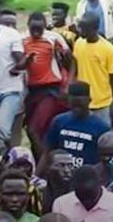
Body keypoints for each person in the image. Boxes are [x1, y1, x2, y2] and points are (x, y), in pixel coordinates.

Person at [18, 11, 72, 153]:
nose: (36, 32)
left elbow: (71, 62)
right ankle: (39, 158)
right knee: (37, 129)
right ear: (28, 26)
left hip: (50, 90)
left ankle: (45, 160)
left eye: (39, 29)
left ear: (44, 26)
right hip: (31, 91)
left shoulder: (53, 38)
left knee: (33, 129)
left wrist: (68, 84)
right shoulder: (21, 40)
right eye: (33, 29)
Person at [71, 13, 113, 126]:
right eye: (80, 27)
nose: (80, 31)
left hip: (102, 104)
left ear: (94, 29)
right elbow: (74, 65)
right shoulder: (78, 43)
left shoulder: (108, 49)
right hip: (83, 103)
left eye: (84, 29)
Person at [0, 8, 26, 144]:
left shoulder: (14, 36)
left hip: (11, 91)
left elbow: (22, 62)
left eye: (13, 24)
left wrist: (21, 65)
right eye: (6, 23)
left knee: (2, 128)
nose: (10, 27)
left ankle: (4, 155)